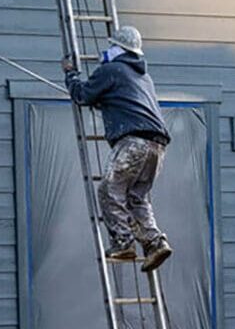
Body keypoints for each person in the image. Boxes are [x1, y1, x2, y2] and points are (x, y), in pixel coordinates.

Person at [63, 25, 172, 272]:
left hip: (133, 141)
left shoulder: (111, 70)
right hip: (157, 146)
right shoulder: (143, 77)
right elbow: (127, 102)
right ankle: (155, 243)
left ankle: (123, 241)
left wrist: (70, 75)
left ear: (119, 49)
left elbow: (82, 95)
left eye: (112, 46)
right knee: (137, 197)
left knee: (109, 190)